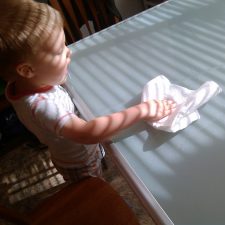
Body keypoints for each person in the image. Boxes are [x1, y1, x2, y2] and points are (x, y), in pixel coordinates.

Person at [0, 0, 176, 182]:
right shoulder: (44, 107)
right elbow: (88, 133)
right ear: (27, 70)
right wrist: (143, 110)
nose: (68, 52)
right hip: (79, 162)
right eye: (59, 50)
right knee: (96, 183)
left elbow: (50, 82)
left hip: (71, 145)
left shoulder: (21, 84)